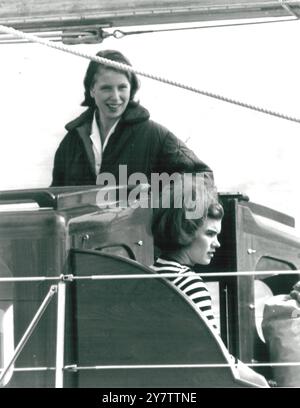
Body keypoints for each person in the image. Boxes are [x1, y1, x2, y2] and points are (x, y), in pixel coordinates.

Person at [51, 49, 213, 187]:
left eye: (122, 87)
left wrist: (158, 202)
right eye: (106, 88)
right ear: (92, 90)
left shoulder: (154, 135)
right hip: (83, 224)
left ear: (131, 88)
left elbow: (203, 177)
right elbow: (55, 197)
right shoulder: (71, 142)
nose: (115, 97)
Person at [151, 174, 223, 332]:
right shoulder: (189, 283)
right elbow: (215, 354)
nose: (217, 243)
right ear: (186, 230)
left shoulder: (148, 274)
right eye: (210, 234)